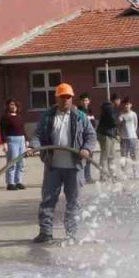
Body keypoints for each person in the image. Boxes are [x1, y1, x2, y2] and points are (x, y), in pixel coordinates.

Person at [30, 83, 96, 243]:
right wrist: (34, 145)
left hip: (74, 167)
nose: (66, 100)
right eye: (63, 97)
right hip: (53, 166)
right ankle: (45, 232)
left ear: (72, 98)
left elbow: (91, 136)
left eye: (68, 97)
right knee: (48, 200)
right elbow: (38, 135)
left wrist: (86, 149)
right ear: (57, 98)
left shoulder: (80, 116)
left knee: (73, 201)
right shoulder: (47, 116)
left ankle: (71, 234)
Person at [2, 100, 28, 191]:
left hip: (21, 139)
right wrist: (4, 143)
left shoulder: (19, 117)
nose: (13, 106)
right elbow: (3, 131)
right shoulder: (5, 117)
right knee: (12, 161)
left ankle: (18, 181)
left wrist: (26, 139)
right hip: (12, 140)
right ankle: (10, 183)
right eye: (11, 105)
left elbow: (22, 129)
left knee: (21, 162)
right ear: (8, 106)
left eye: (15, 105)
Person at [97, 94, 120, 180]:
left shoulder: (110, 107)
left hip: (110, 134)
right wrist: (119, 121)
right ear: (116, 100)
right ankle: (102, 175)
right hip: (105, 134)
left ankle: (112, 174)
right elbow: (112, 120)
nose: (119, 103)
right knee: (105, 155)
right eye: (119, 101)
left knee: (111, 155)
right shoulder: (109, 107)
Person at [117, 97, 139, 178]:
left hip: (132, 137)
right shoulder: (121, 114)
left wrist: (133, 134)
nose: (126, 106)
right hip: (123, 138)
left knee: (133, 155)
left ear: (131, 105)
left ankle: (135, 172)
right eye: (125, 104)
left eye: (128, 104)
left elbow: (136, 125)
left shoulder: (134, 114)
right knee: (124, 156)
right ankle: (124, 174)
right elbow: (118, 126)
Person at [76, 94, 96, 182]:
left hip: (89, 138)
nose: (85, 102)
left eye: (86, 100)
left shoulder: (90, 111)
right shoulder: (78, 111)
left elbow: (93, 123)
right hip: (82, 138)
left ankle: (88, 176)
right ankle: (81, 177)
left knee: (89, 158)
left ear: (89, 101)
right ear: (80, 101)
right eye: (83, 100)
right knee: (81, 158)